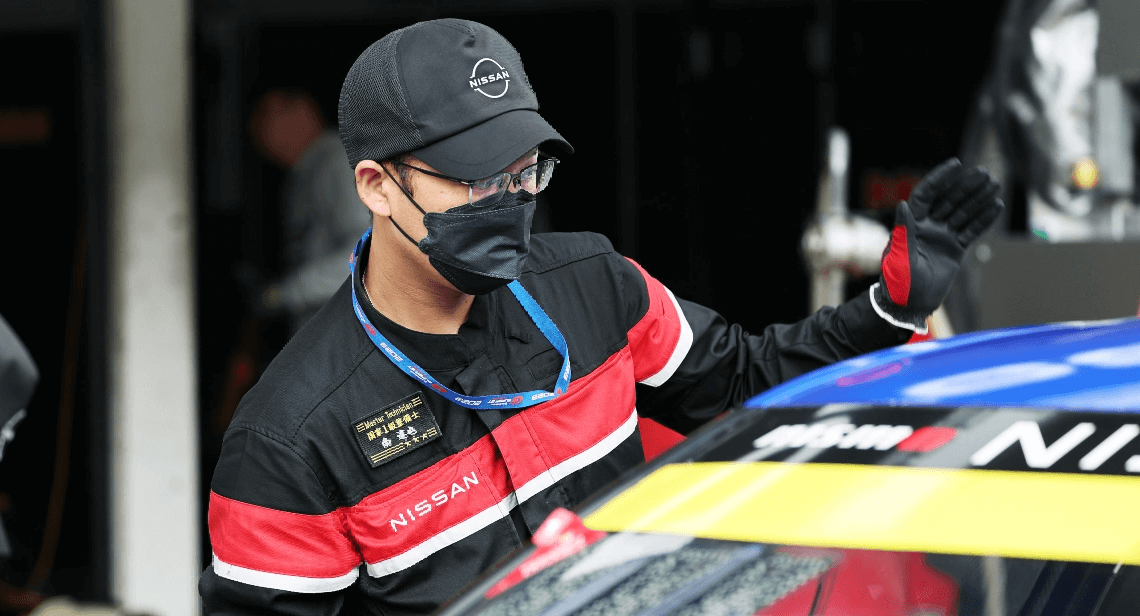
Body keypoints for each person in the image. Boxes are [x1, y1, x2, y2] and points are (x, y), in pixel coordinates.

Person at [200, 19, 1003, 615]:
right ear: (377, 186)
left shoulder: (595, 286)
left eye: (525, 172)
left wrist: (889, 310)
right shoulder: (286, 441)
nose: (510, 201)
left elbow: (748, 383)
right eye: (476, 180)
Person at [244, 88, 373, 334]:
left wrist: (282, 294)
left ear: (303, 109)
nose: (255, 128)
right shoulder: (306, 169)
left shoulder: (337, 162)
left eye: (264, 114)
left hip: (351, 335)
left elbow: (367, 254)